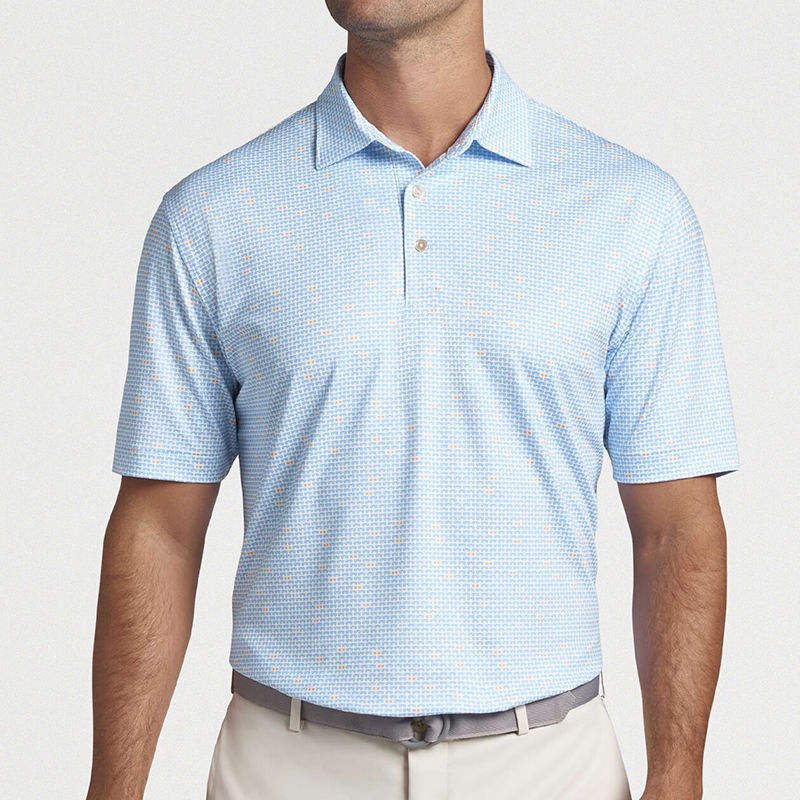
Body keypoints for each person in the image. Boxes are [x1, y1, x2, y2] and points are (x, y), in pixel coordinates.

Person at [87, 1, 740, 798]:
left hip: (546, 766)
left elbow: (676, 527)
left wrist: (679, 777)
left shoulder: (631, 210)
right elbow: (159, 526)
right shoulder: (215, 215)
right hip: (286, 766)